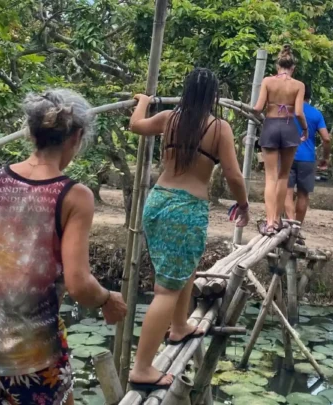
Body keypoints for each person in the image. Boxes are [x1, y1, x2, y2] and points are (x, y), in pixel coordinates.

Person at [0, 89, 127, 405]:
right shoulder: (74, 197)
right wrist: (107, 299)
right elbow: (79, 284)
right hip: (34, 356)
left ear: (30, 132)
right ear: (76, 137)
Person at [127, 68, 249, 390]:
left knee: (184, 267)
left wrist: (143, 101)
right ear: (213, 97)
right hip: (186, 210)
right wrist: (244, 205)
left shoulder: (169, 118)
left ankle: (179, 326)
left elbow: (135, 125)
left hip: (157, 202)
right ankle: (142, 368)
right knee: (166, 289)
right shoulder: (218, 127)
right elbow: (235, 177)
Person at [253, 44, 308, 235]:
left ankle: (268, 222)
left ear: (278, 66)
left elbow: (258, 108)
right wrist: (306, 129)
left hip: (270, 126)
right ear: (292, 68)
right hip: (288, 128)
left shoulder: (268, 81)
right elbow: (299, 112)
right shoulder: (299, 85)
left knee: (270, 176)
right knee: (284, 175)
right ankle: (277, 220)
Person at [284, 85, 331, 225]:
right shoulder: (316, 114)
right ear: (310, 97)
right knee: (303, 194)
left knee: (287, 192)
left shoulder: (288, 110)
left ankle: (290, 224)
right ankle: (297, 229)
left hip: (288, 156)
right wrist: (326, 158)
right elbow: (326, 138)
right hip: (308, 159)